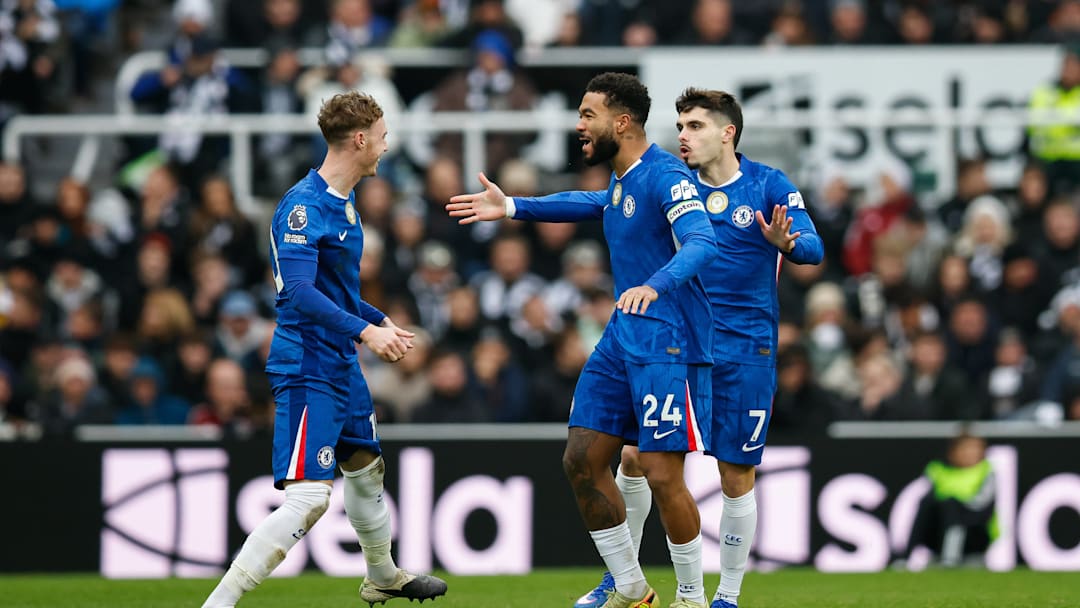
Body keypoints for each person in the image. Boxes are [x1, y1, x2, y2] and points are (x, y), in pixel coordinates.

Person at [448, 72, 719, 608]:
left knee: (661, 472)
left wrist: (655, 284)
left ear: (623, 122)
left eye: (588, 114)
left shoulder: (667, 175)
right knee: (580, 459)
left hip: (669, 341)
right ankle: (630, 586)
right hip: (623, 336)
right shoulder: (622, 181)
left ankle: (692, 598)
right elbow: (590, 202)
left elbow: (702, 240)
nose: (579, 125)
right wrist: (513, 207)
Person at [575, 88, 824, 608]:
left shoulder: (767, 184)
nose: (683, 136)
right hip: (684, 342)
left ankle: (726, 596)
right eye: (680, 127)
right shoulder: (674, 182)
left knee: (735, 472)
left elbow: (814, 247)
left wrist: (789, 244)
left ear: (727, 132)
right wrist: (515, 206)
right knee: (637, 457)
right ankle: (622, 578)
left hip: (745, 348)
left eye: (695, 126)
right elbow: (601, 203)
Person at [200, 91, 447, 608]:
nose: (386, 146)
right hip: (307, 363)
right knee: (310, 498)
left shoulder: (343, 202)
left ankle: (382, 575)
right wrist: (366, 333)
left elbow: (335, 290)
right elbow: (298, 292)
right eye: (381, 137)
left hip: (340, 362)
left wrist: (377, 319)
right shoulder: (302, 208)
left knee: (366, 467)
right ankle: (217, 604)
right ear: (359, 140)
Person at [899, 432, 998, 568]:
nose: (971, 454)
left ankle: (950, 558)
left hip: (974, 533)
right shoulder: (937, 470)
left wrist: (953, 505)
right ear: (953, 452)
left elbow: (980, 506)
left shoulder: (985, 471)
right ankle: (906, 558)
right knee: (927, 504)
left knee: (951, 506)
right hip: (939, 533)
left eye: (976, 449)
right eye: (966, 449)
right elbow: (929, 502)